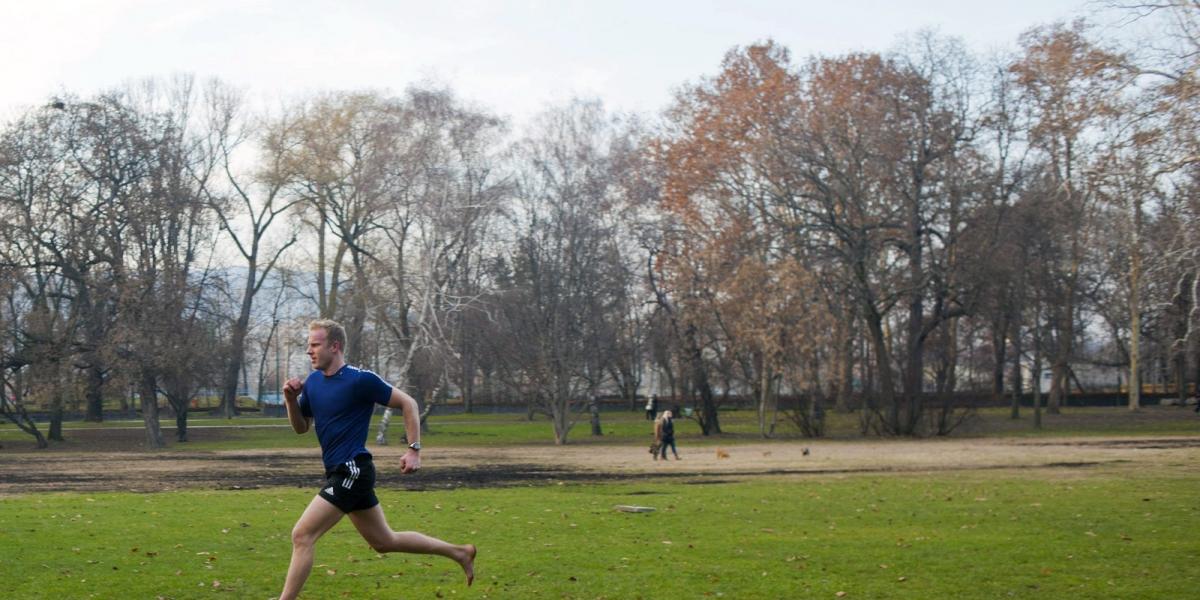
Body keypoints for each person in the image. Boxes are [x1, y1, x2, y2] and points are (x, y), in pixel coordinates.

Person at [279, 319, 475, 600]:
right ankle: (460, 552)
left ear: (335, 346)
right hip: (341, 471)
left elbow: (408, 403)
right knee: (384, 541)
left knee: (302, 535)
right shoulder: (312, 385)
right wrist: (290, 400)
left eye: (315, 344)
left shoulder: (360, 380)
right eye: (308, 345)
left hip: (352, 470)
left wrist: (414, 449)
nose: (309, 351)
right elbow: (301, 428)